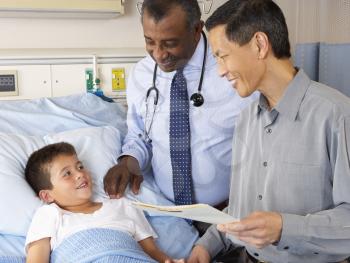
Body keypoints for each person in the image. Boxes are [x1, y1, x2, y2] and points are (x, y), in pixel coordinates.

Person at [187, 0, 350, 262]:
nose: (220, 71)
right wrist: (207, 246)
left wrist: (286, 228)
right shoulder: (246, 120)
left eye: (222, 56)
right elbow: (241, 209)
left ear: (260, 45)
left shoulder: (337, 116)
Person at [103, 0, 256, 211]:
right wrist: (128, 162)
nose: (158, 54)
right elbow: (140, 134)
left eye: (170, 43)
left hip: (229, 211)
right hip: (167, 210)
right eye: (150, 41)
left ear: (196, 30)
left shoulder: (232, 68)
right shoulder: (142, 74)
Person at [24, 142, 180, 263]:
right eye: (67, 173)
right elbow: (37, 259)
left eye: (80, 166)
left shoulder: (122, 205)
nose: (79, 174)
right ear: (46, 196)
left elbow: (152, 252)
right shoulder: (50, 213)